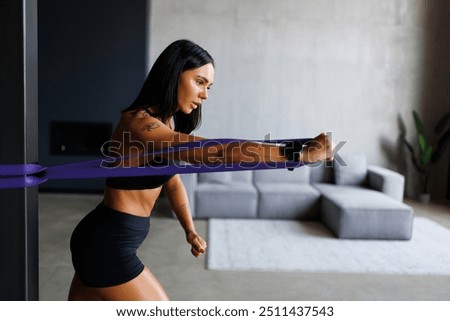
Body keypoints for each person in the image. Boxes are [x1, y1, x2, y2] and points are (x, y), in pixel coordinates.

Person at [67, 39, 334, 301]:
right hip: (108, 245)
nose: (205, 95)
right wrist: (299, 154)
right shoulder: (139, 124)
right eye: (199, 82)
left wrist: (189, 229)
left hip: (103, 240)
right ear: (173, 75)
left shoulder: (165, 124)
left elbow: (172, 182)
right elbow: (218, 152)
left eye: (209, 87)